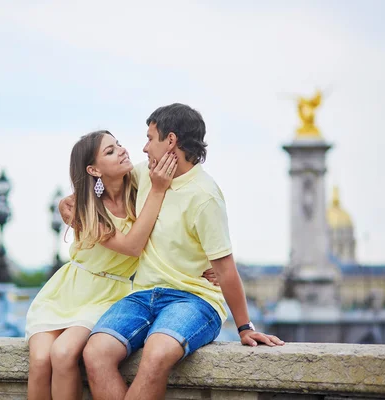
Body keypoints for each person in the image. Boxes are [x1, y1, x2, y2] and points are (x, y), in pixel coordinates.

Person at [64, 104, 285, 400]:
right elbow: (101, 183)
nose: (143, 147)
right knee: (95, 352)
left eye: (150, 137)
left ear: (170, 141)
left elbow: (226, 269)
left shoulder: (205, 196)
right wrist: (69, 201)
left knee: (156, 354)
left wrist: (244, 327)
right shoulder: (144, 174)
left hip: (194, 299)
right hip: (142, 295)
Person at [25, 130, 211, 400]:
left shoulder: (143, 182)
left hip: (109, 295)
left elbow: (185, 187)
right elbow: (131, 246)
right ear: (93, 169)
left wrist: (209, 260)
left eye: (119, 144)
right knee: (41, 360)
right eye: (110, 151)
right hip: (67, 290)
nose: (122, 150)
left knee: (63, 353)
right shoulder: (87, 207)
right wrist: (62, 204)